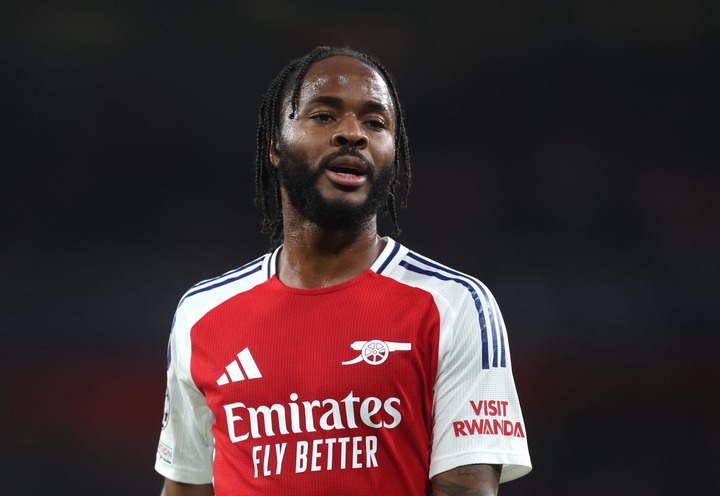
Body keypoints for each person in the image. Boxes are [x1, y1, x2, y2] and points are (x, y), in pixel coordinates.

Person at [155, 46, 532, 496]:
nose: (352, 133)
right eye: (324, 116)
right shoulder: (202, 313)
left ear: (394, 151)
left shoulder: (454, 305)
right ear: (276, 144)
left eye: (375, 123)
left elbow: (466, 489)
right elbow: (186, 485)